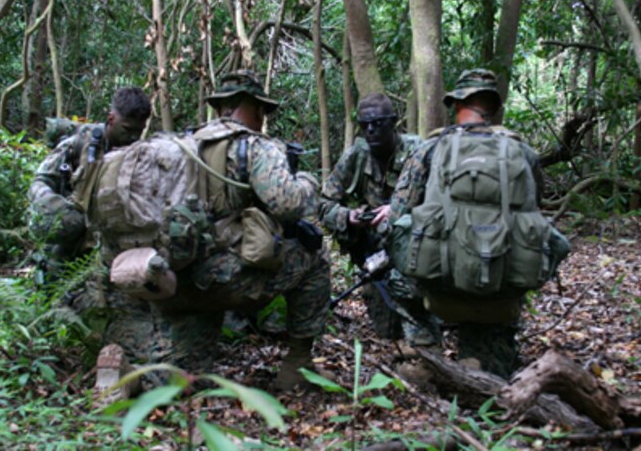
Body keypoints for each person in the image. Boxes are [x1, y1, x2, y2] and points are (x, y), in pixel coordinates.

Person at [87, 71, 331, 395]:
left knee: (184, 379)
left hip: (173, 277)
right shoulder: (254, 145)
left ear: (220, 108)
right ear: (256, 108)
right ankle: (297, 364)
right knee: (315, 257)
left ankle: (129, 379)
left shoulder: (183, 144)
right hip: (225, 281)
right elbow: (288, 203)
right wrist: (309, 183)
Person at [388, 68, 546, 378]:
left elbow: (396, 215)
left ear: (457, 102)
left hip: (439, 286)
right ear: (494, 107)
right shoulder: (523, 154)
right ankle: (484, 359)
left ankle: (425, 351)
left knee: (396, 265)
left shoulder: (430, 149)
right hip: (498, 289)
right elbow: (534, 212)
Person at [319, 93, 441, 347]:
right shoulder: (355, 156)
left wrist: (399, 211)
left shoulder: (417, 152)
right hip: (374, 253)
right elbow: (322, 204)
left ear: (393, 122)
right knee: (386, 331)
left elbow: (438, 204)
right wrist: (349, 217)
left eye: (378, 123)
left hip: (413, 250)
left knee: (421, 319)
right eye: (365, 125)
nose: (371, 130)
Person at [28, 87, 151, 278]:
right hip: (71, 238)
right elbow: (41, 180)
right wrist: (54, 206)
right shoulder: (80, 142)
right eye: (127, 129)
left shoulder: (139, 155)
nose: (133, 137)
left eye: (139, 131)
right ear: (111, 119)